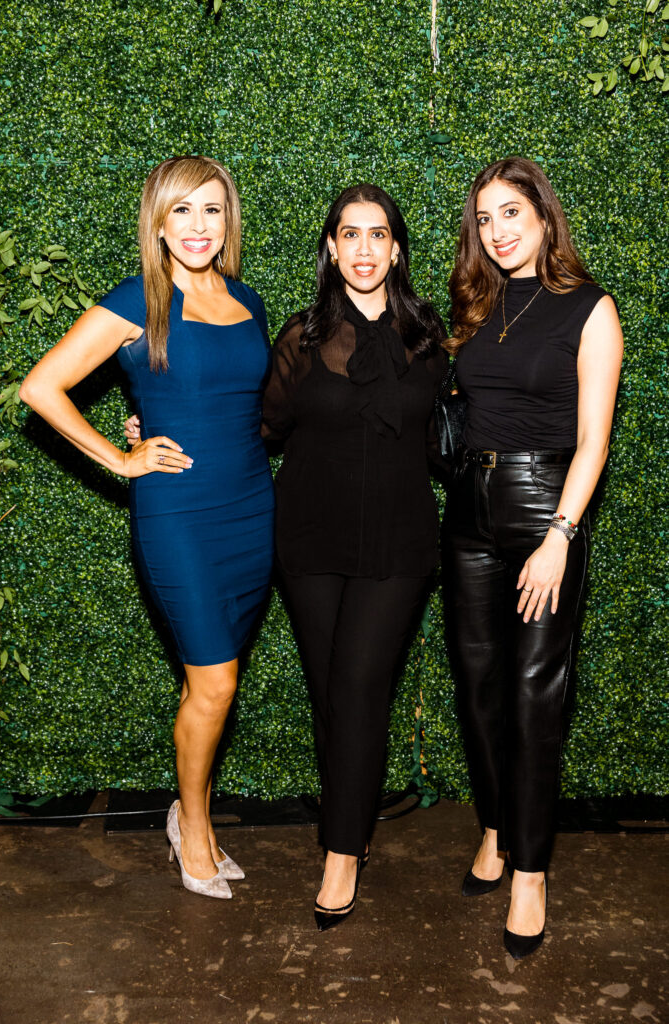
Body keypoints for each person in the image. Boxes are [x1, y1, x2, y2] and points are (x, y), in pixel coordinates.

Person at [19, 155, 275, 900]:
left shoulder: (247, 301)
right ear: (157, 223)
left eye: (212, 210)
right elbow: (42, 386)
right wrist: (121, 457)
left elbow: (239, 401)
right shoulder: (140, 299)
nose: (197, 227)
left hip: (253, 508)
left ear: (228, 220)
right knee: (215, 681)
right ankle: (191, 823)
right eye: (180, 211)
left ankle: (188, 812)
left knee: (219, 681)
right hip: (180, 514)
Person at [442, 156, 623, 958]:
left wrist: (560, 536)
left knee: (532, 694)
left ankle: (530, 874)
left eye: (510, 213)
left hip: (542, 511)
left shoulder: (590, 309)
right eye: (484, 219)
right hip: (467, 516)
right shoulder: (476, 305)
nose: (498, 231)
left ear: (544, 217)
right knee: (477, 686)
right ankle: (494, 828)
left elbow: (593, 443)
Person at [261, 184, 448, 930]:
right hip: (307, 541)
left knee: (362, 687)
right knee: (330, 694)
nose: (365, 249)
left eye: (378, 235)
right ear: (331, 248)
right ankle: (348, 826)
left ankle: (342, 850)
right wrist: (158, 420)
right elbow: (261, 428)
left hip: (399, 545)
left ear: (396, 249)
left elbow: (458, 427)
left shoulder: (430, 337)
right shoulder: (301, 338)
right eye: (350, 235)